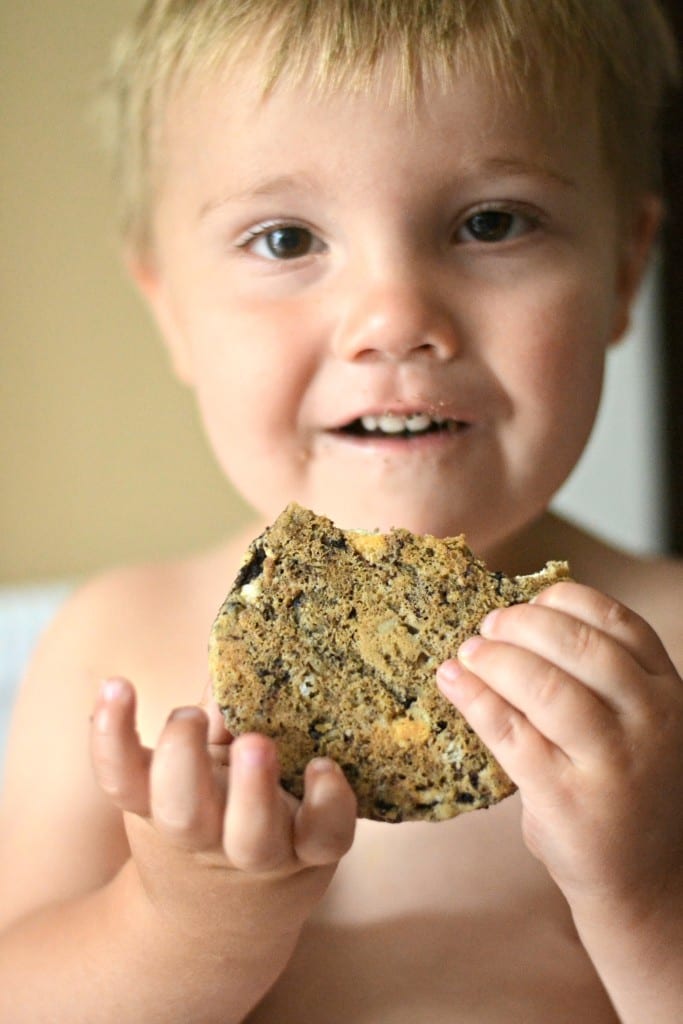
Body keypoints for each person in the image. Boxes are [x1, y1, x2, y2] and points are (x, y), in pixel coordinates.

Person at [1, 1, 681, 1020]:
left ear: (622, 268)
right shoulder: (117, 648)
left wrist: (649, 897)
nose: (394, 316)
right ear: (168, 308)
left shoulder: (667, 659)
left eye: (489, 222)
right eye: (285, 239)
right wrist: (173, 921)